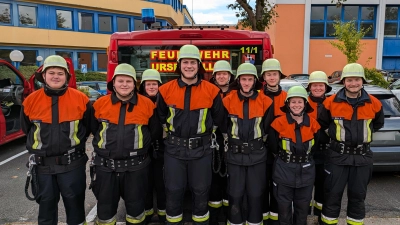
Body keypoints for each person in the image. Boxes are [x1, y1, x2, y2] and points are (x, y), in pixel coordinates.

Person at [157, 44, 227, 225]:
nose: (189, 66)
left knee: (201, 191)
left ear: (199, 65)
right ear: (179, 65)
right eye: (185, 62)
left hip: (202, 151)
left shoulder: (212, 91)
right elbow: (160, 117)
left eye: (193, 63)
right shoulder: (165, 90)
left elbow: (220, 119)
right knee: (173, 191)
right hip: (173, 150)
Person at [21, 55, 91, 225]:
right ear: (43, 76)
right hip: (42, 167)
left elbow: (88, 127)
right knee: (46, 211)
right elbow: (26, 129)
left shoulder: (81, 100)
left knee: (75, 210)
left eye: (60, 73)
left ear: (67, 76)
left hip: (72, 165)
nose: (55, 76)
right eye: (51, 72)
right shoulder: (30, 101)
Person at [90, 63, 158, 225]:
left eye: (129, 81)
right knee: (105, 212)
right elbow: (93, 128)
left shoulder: (147, 105)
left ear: (134, 84)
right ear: (113, 83)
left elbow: (153, 132)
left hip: (136, 168)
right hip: (106, 168)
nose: (124, 84)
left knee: (136, 212)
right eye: (120, 81)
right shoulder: (99, 104)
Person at [319, 63, 384, 225]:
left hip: (362, 158)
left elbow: (377, 124)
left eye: (356, 80)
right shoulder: (330, 102)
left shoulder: (374, 103)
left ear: (362, 81)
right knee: (332, 195)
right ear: (343, 82)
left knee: (358, 197)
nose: (353, 83)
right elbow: (323, 123)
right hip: (337, 156)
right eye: (349, 80)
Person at [223, 63, 274, 225]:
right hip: (234, 155)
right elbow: (224, 127)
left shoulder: (266, 101)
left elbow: (267, 130)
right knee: (235, 194)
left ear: (255, 81)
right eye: (243, 79)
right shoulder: (227, 101)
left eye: (250, 79)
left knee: (256, 194)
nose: (246, 83)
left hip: (257, 156)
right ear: (238, 81)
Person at [268, 86, 321, 225]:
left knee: (302, 211)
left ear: (305, 104)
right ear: (287, 104)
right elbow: (273, 146)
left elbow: (315, 147)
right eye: (293, 102)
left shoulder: (313, 124)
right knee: (284, 211)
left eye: (300, 102)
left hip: (306, 171)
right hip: (283, 170)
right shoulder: (278, 123)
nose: (296, 105)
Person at [138, 69, 167, 224]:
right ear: (143, 86)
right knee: (146, 184)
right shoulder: (137, 102)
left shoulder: (164, 102)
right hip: (144, 151)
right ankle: (148, 212)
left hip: (162, 150)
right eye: (148, 84)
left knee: (161, 184)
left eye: (154, 84)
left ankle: (163, 214)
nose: (151, 87)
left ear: (159, 86)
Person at [260, 58, 287, 225]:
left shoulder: (287, 97)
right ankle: (263, 219)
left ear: (279, 76)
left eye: (274, 74)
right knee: (262, 188)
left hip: (282, 150)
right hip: (261, 150)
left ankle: (276, 220)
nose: (272, 77)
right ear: (264, 77)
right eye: (268, 74)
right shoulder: (258, 96)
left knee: (279, 187)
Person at [208, 60, 235, 224]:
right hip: (214, 141)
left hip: (233, 141)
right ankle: (214, 217)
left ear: (230, 76)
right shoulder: (210, 93)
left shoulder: (237, 93)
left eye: (224, 74)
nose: (222, 76)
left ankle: (227, 215)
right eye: (219, 74)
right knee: (214, 180)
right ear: (214, 77)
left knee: (230, 180)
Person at [306, 71, 332, 224]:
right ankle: (305, 217)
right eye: (314, 85)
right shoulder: (302, 102)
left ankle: (319, 218)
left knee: (323, 189)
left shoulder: (332, 103)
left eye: (320, 85)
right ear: (310, 87)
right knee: (305, 188)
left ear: (325, 87)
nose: (317, 88)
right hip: (306, 152)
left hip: (326, 152)